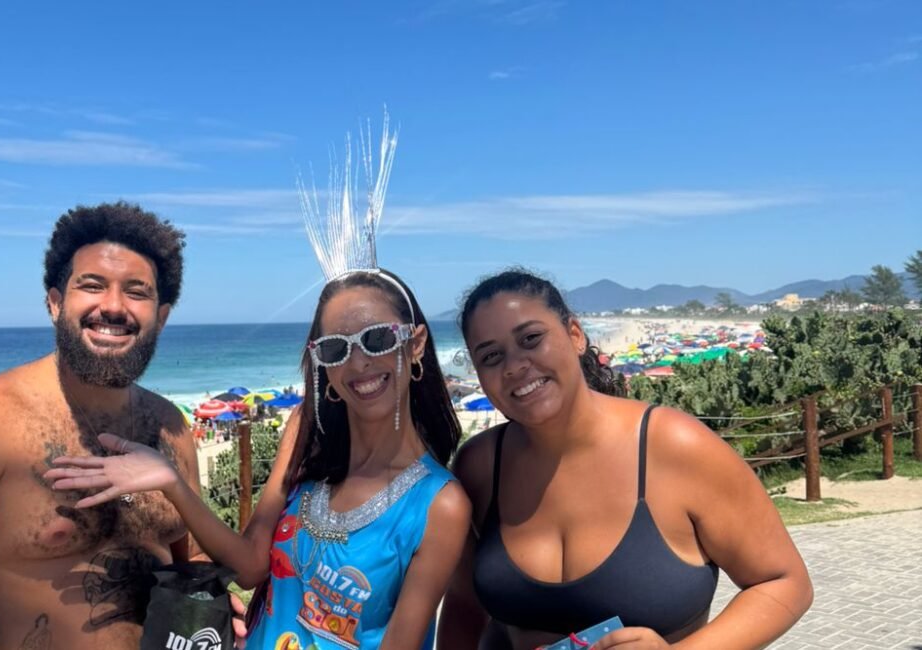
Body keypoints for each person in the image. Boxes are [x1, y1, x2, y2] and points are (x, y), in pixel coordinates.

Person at [47, 120, 471, 649]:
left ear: (416, 345)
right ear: (323, 366)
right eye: (336, 348)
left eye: (378, 339)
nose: (359, 362)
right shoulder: (307, 432)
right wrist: (172, 483)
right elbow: (249, 566)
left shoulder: (438, 505)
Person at [0, 202, 205, 649]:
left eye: (136, 291)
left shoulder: (170, 426)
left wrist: (211, 603)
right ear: (55, 303)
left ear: (161, 317)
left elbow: (189, 557)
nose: (114, 306)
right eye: (92, 285)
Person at [438, 268, 813, 650]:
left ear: (575, 335)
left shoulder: (674, 446)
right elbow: (464, 605)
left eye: (531, 339)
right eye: (491, 355)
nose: (515, 366)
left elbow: (784, 582)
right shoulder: (480, 465)